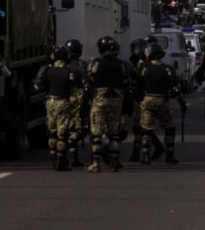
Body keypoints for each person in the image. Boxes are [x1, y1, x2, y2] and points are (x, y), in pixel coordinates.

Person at [85, 36, 132, 173]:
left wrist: (85, 104)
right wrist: (127, 110)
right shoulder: (122, 65)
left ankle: (95, 164)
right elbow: (127, 85)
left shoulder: (95, 64)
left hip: (99, 101)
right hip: (116, 101)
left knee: (97, 133)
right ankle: (114, 163)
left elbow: (88, 82)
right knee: (114, 134)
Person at [138, 42, 186, 165]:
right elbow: (175, 88)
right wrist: (182, 103)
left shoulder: (144, 68)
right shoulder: (168, 69)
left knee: (146, 129)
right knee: (169, 128)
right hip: (162, 101)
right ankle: (170, 155)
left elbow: (138, 84)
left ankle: (146, 156)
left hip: (147, 100)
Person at [34, 46, 76, 171]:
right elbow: (75, 87)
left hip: (50, 102)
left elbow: (37, 86)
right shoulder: (68, 71)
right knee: (62, 134)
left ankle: (53, 160)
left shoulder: (47, 70)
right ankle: (60, 161)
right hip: (63, 102)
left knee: (52, 132)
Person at [63, 38, 89, 167]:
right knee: (82, 128)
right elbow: (86, 84)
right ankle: (67, 146)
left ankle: (73, 157)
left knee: (70, 127)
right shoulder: (82, 65)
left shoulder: (63, 66)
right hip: (79, 98)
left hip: (65, 98)